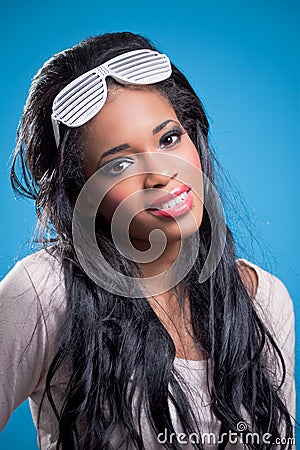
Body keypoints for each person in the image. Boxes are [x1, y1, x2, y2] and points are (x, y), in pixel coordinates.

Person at [0, 32, 296, 449]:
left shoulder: (265, 301)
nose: (161, 174)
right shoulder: (43, 294)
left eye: (169, 138)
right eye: (120, 162)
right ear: (80, 192)